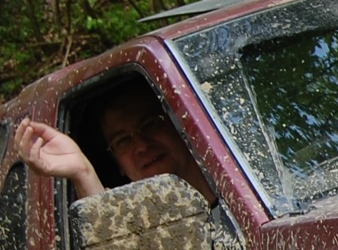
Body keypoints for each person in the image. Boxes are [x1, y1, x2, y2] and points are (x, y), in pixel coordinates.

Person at [14, 82, 212, 201]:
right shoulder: (141, 228)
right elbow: (113, 248)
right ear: (119, 165)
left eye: (150, 125)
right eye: (123, 141)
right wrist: (82, 172)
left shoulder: (238, 180)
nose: (142, 145)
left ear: (179, 126)